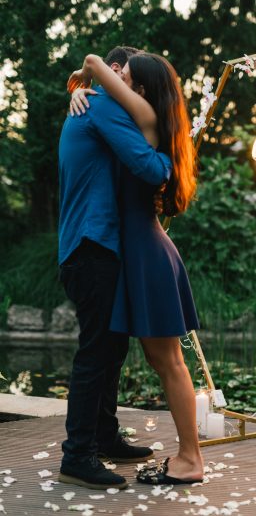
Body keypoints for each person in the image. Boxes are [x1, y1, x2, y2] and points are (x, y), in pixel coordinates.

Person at [68, 51, 204, 485]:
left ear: (139, 90)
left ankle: (190, 459)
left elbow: (151, 168)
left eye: (124, 73)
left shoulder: (136, 117)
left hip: (144, 251)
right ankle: (105, 441)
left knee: (168, 361)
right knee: (147, 356)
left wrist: (89, 74)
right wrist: (80, 86)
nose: (118, 71)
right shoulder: (118, 111)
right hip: (133, 251)